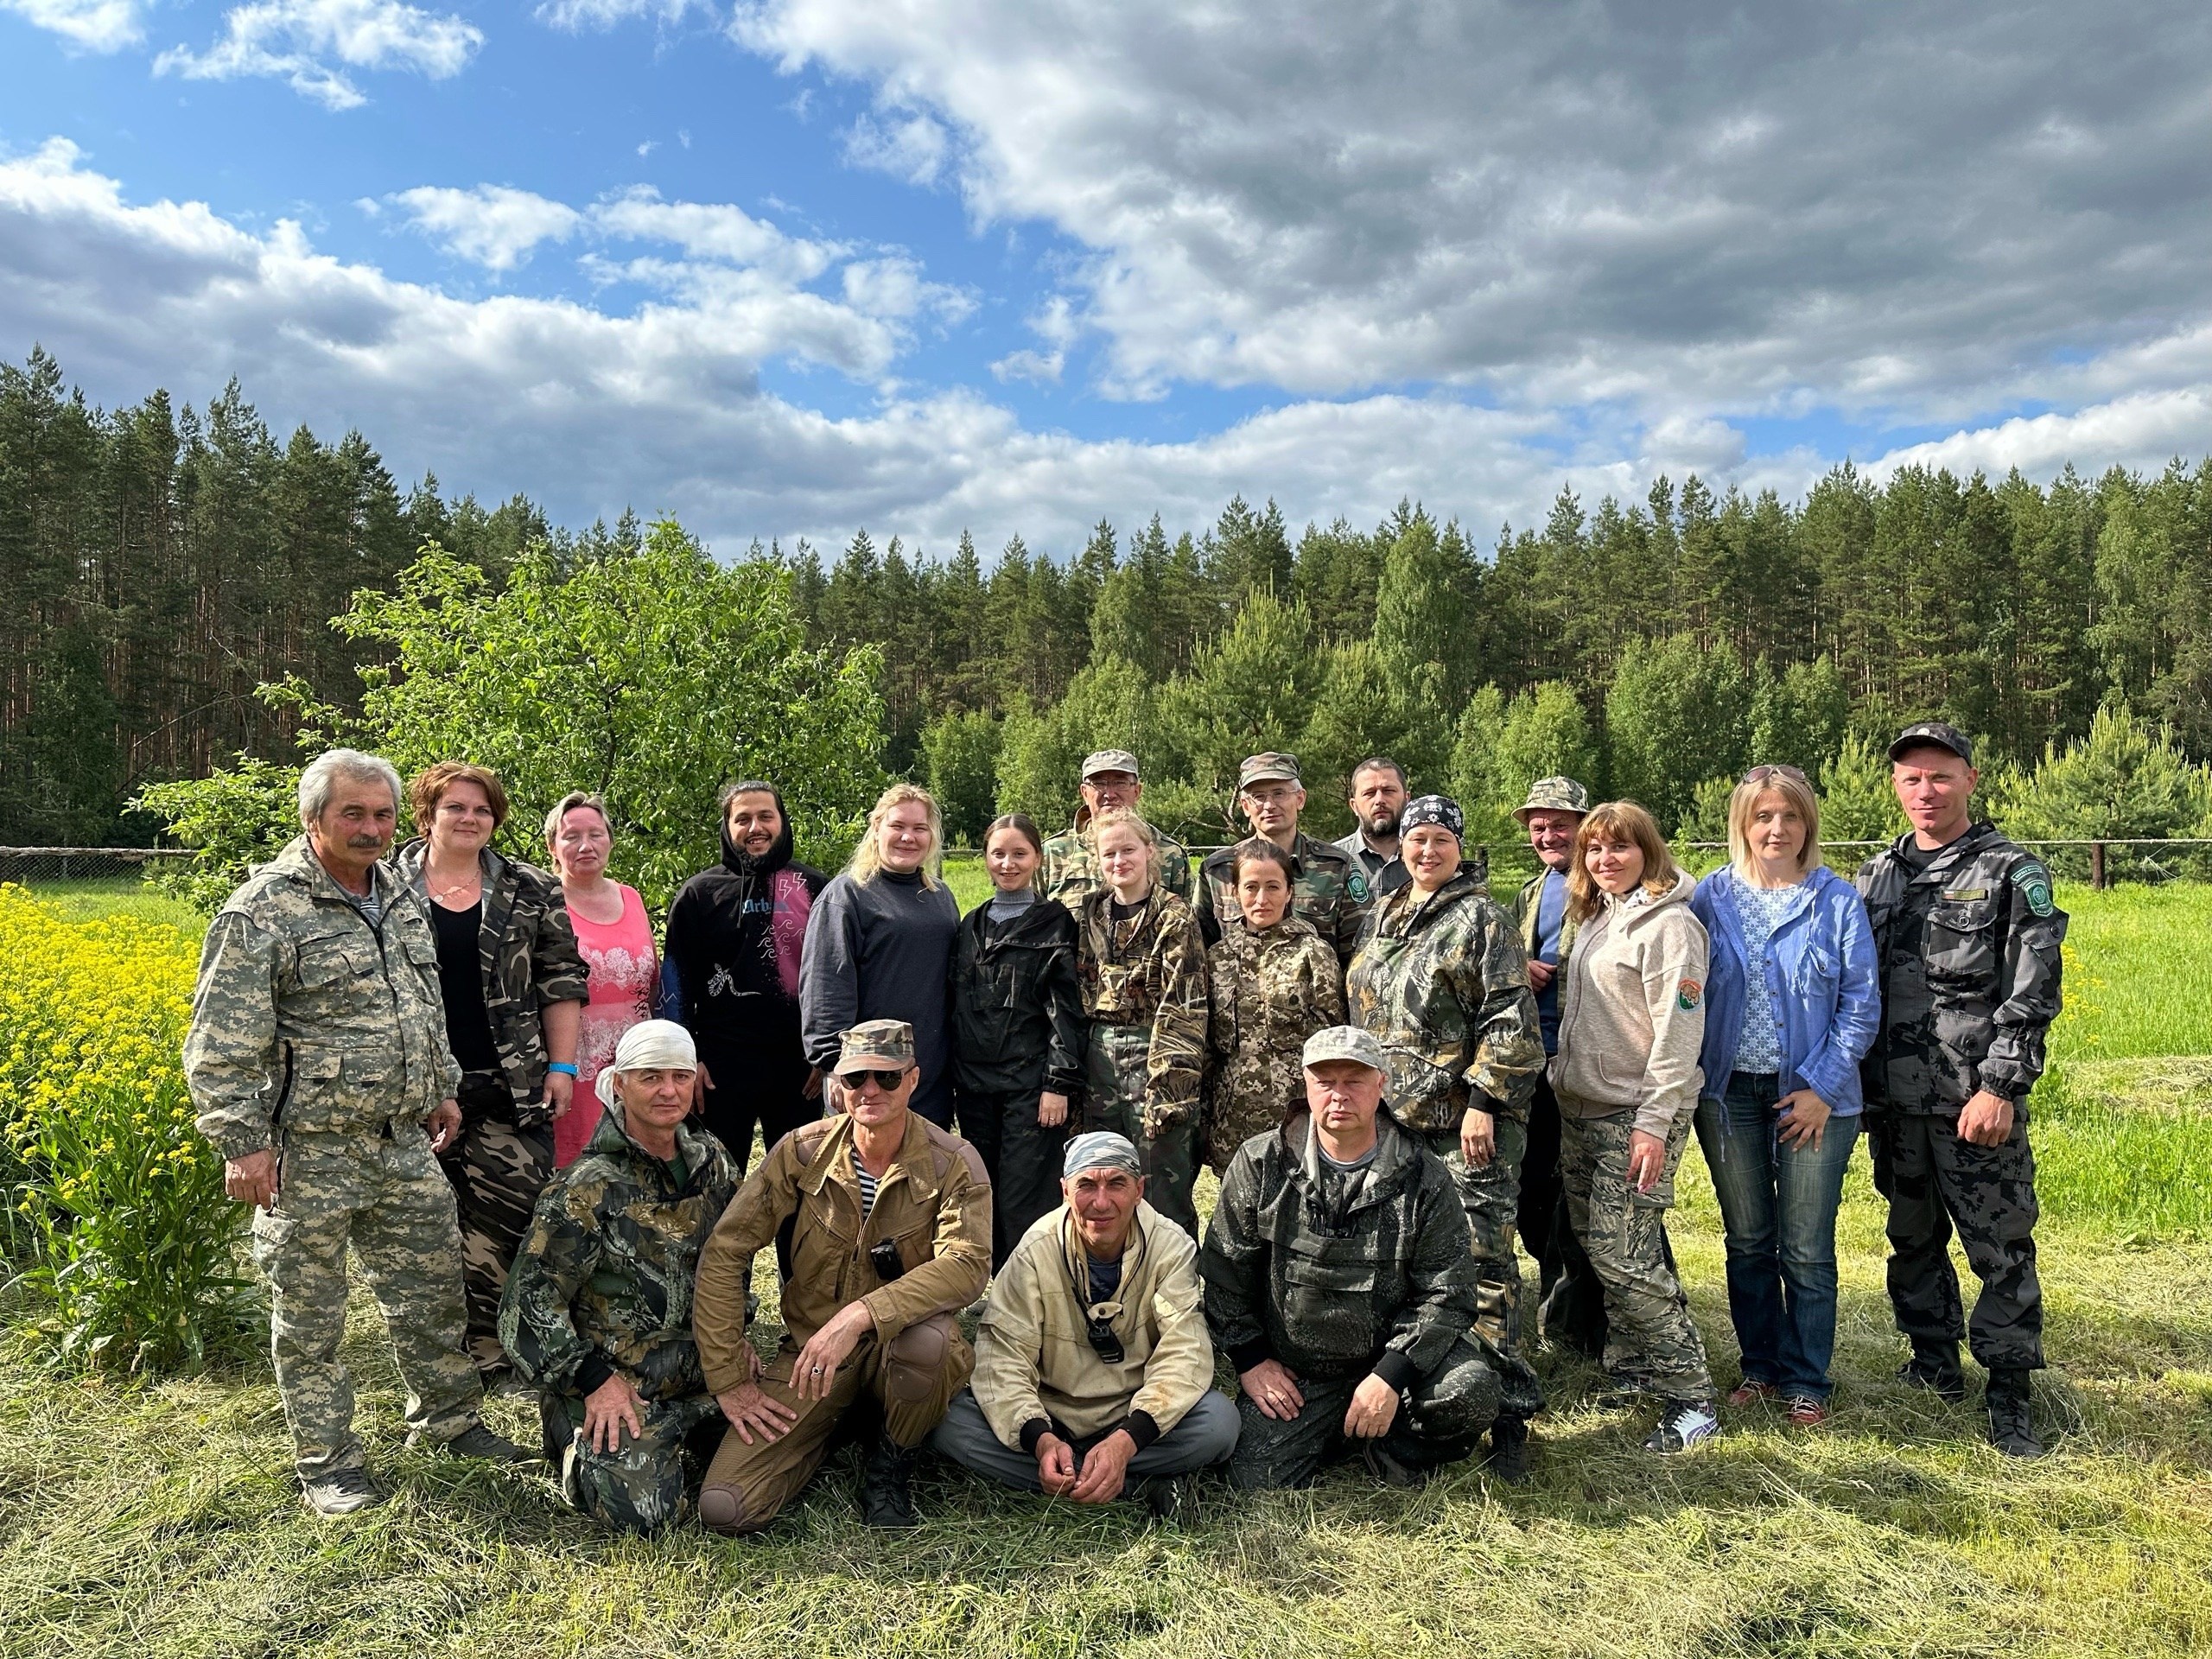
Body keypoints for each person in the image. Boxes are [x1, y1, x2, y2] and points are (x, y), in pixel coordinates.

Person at [182, 748, 531, 1516]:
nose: (371, 829)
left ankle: (449, 1422)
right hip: (309, 1153)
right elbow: (221, 1041)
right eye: (353, 814)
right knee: (311, 1317)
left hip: (401, 1142)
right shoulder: (262, 910)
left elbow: (421, 1001)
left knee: (431, 1293)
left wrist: (438, 1087)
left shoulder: (398, 894)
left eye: (381, 814)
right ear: (314, 819)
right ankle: (328, 1461)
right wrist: (242, 1142)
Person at [1856, 721, 2066, 1458]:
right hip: (1892, 1102)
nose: (1926, 791)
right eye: (1911, 778)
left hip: (1972, 1099)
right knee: (1911, 1240)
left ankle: (2009, 1389)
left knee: (1999, 1245)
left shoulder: (2011, 871)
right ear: (1895, 786)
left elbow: (2032, 993)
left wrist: (2001, 1086)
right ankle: (1934, 1364)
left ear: (1971, 780)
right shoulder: (1878, 875)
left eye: (1941, 776)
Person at [691, 1020, 990, 1533]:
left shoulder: (952, 1163)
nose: (870, 1090)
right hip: (813, 1356)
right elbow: (726, 1250)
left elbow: (966, 1267)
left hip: (900, 1346)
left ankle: (894, 1457)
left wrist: (862, 1314)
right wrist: (728, 1378)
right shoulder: (801, 1152)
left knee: (930, 1342)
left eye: (886, 1078)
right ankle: (833, 1424)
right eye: (855, 1079)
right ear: (838, 1085)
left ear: (913, 1080)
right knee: (725, 1508)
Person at [1201, 1027, 1505, 1491]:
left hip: (1393, 1371)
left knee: (1469, 1394)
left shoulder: (1422, 1175)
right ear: (1305, 1084)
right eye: (1325, 1082)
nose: (1338, 1096)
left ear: (1381, 1084)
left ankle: (1391, 1443)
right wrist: (1251, 1361)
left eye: (1354, 1082)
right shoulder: (1261, 1163)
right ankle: (1337, 1431)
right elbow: (1226, 1275)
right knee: (1248, 1478)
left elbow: (1448, 1292)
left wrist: (1390, 1376)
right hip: (1297, 1376)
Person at [1344, 793, 1546, 1479]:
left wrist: (1486, 1101)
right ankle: (1424, 1395)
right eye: (1415, 838)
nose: (1426, 850)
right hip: (1394, 1125)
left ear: (1460, 846)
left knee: (1484, 1266)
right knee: (1411, 1269)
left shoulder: (1482, 916)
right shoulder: (1385, 912)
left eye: (1439, 839)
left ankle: (1509, 1414)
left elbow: (1512, 1019)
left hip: (1465, 1130)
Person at [1690, 766, 1880, 1426]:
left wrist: (1822, 1089)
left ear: (1808, 825)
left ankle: (1808, 1378)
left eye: (1790, 816)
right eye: (1763, 816)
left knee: (1804, 1243)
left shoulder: (1836, 900)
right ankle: (1760, 1366)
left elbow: (1860, 1005)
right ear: (1743, 824)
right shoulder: (1709, 898)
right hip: (1727, 1096)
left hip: (1814, 1097)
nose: (1777, 829)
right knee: (1748, 1238)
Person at [498, 1020, 740, 1531]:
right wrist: (593, 1382)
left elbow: (731, 1267)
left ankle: (682, 1437)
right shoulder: (587, 1188)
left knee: (787, 1452)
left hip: (704, 1377)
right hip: (619, 1385)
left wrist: (737, 1345)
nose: (669, 1091)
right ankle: (573, 1438)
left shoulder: (713, 1163)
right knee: (647, 1514)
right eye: (650, 1077)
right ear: (620, 1084)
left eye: (679, 1075)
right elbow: (526, 1305)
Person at [395, 761, 588, 1385]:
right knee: (425, 1229)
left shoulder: (530, 887)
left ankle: (495, 1347)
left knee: (510, 1221)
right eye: (455, 807)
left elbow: (560, 979)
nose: (470, 818)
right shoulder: (381, 885)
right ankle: (438, 1356)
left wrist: (562, 1066)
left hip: (512, 1082)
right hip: (414, 1089)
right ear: (427, 815)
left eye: (482, 810)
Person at [930, 1132, 1239, 1518]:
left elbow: (1184, 1353)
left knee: (1219, 1424)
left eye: (1117, 1184)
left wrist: (1127, 1440)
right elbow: (1002, 1356)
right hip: (1051, 1410)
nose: (1101, 1202)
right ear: (1064, 1190)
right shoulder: (1034, 1250)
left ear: (1140, 1189)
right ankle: (1132, 1484)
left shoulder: (1170, 1247)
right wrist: (1038, 1438)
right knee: (947, 1421)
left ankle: (1092, 1471)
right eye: (1086, 1185)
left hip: (1134, 1411)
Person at [1551, 801, 1716, 1453]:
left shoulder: (1671, 928)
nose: (1605, 860)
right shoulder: (1596, 915)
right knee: (1599, 1247)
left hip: (1636, 1116)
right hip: (1581, 1109)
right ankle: (1632, 1369)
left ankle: (1691, 1397)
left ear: (1648, 851)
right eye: (1594, 850)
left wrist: (1654, 1122)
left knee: (1627, 1257)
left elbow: (1680, 1036)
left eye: (1619, 848)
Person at [663, 780, 830, 1172]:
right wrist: (688, 1059)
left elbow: (833, 977)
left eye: (766, 816)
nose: (756, 827)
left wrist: (827, 1055)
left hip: (799, 1066)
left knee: (800, 1186)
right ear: (727, 827)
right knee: (716, 1183)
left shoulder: (816, 887)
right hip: (719, 1067)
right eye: (743, 819)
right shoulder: (699, 894)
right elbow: (675, 980)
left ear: (782, 822)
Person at [1508, 775, 1619, 1357]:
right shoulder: (1530, 893)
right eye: (1538, 827)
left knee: (1594, 1202)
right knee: (1534, 1191)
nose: (1549, 835)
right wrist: (1519, 963)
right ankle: (1561, 1309)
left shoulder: (1611, 889)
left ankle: (1594, 1327)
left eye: (1560, 825)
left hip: (1594, 1069)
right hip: (1535, 1064)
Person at [951, 812, 1088, 1266]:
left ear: (1037, 859)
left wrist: (1058, 1083)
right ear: (985, 858)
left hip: (1031, 1088)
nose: (1008, 864)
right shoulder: (970, 926)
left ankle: (1031, 1291)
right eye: (998, 854)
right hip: (973, 1087)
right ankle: (991, 1292)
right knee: (981, 1190)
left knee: (1024, 1196)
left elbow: (1065, 1011)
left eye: (1019, 854)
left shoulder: (1053, 923)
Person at [1073, 808, 1211, 1240]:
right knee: (1102, 1188)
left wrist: (1168, 1090)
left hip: (1156, 1054)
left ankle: (1175, 1295)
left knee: (1161, 1191)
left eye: (1128, 849)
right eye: (1109, 853)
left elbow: (1183, 1008)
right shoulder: (1090, 914)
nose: (1119, 861)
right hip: (1099, 1060)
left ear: (1150, 852)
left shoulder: (1173, 916)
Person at [800, 783, 962, 1128]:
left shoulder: (941, 897)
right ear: (876, 828)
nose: (908, 837)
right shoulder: (847, 896)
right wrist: (832, 1065)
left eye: (920, 829)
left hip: (928, 1076)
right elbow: (825, 985)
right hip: (867, 1080)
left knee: (923, 1177)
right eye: (897, 826)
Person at [1203, 837, 1344, 1173]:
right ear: (1235, 893)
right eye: (1251, 887)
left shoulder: (1313, 953)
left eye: (1273, 887)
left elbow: (1332, 1043)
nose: (1262, 899)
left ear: (1290, 892)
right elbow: (1208, 1051)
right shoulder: (1217, 958)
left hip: (1298, 1120)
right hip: (1232, 1125)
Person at [545, 791, 658, 1169]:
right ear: (552, 847)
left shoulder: (632, 897)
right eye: (571, 836)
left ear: (610, 839)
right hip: (573, 1067)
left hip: (635, 1064)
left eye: (596, 834)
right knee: (581, 1174)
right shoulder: (542, 902)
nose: (585, 846)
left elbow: (653, 983)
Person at [1195, 753, 1372, 964]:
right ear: (1245, 806)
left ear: (1300, 799)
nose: (1269, 805)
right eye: (1259, 796)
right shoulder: (1218, 870)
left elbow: (1361, 952)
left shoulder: (1336, 866)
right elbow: (1199, 949)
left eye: (1279, 794)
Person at [1039, 749, 1195, 911]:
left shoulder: (1169, 853)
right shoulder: (1051, 854)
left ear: (1137, 792)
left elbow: (1186, 924)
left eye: (1120, 783)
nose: (1110, 794)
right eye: (1099, 784)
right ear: (1084, 792)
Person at [1332, 755, 1409, 889]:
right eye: (1369, 793)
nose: (1379, 800)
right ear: (1354, 806)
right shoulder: (1332, 861)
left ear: (1407, 799)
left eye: (1388, 791)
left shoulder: (1427, 860)